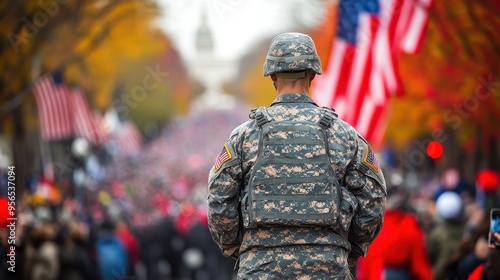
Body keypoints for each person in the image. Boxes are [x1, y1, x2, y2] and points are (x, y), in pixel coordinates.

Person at [207, 32, 387, 279]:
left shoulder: (245, 136)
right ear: (313, 74)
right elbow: (373, 200)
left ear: (271, 75)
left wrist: (243, 248)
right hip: (327, 268)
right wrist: (347, 248)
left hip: (260, 268)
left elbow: (219, 201)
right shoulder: (344, 135)